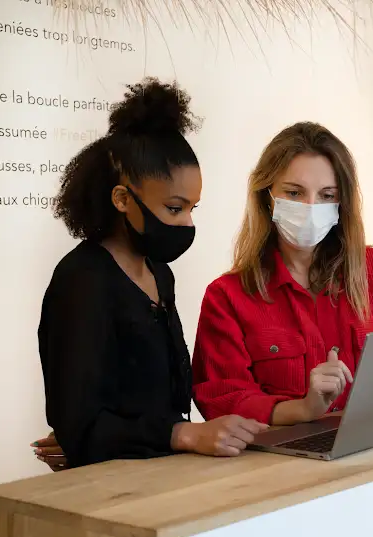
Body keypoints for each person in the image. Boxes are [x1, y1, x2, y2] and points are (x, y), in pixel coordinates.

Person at [32, 78, 266, 470]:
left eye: (193, 208)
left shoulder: (160, 273)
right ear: (122, 199)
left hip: (161, 475)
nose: (187, 222)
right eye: (175, 208)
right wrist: (183, 434)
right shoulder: (81, 283)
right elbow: (81, 425)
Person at [191, 121, 373, 426]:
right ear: (266, 196)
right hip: (281, 464)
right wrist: (301, 410)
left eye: (327, 195)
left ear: (342, 204)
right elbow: (221, 401)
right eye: (294, 192)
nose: (311, 207)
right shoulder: (228, 296)